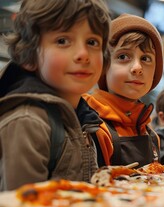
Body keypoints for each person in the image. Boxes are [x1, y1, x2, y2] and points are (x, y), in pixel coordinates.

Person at [0, 0, 111, 191]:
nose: (83, 54)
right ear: (29, 55)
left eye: (92, 42)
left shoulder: (84, 118)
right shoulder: (28, 122)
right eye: (63, 41)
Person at [83, 14, 163, 167]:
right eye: (123, 56)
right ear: (104, 66)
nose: (137, 68)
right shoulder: (94, 128)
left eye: (146, 59)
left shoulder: (150, 134)